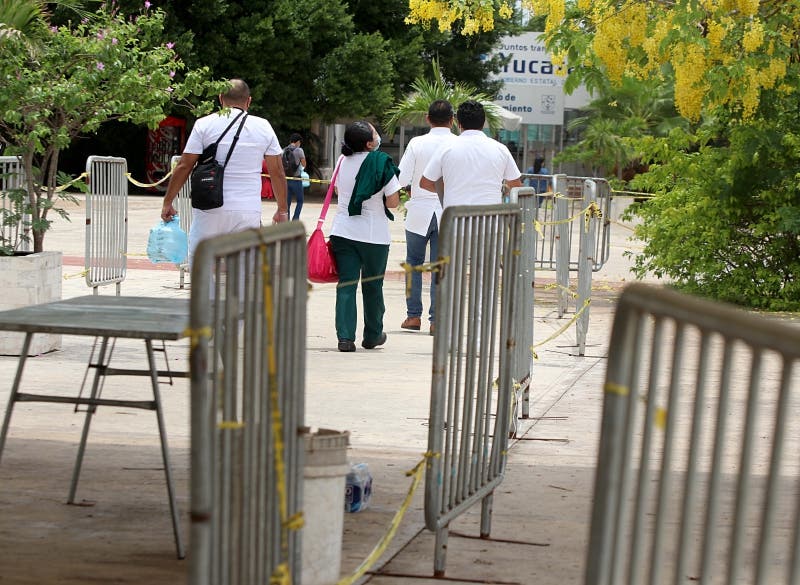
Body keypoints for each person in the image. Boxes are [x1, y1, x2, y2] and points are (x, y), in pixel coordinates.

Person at [160, 79, 288, 265]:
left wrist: (168, 202)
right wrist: (282, 210)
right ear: (249, 101)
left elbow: (184, 165)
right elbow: (277, 172)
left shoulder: (204, 124)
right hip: (247, 210)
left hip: (209, 207)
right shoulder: (263, 126)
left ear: (220, 98)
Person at [329, 121, 401, 352]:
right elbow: (393, 202)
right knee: (373, 286)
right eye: (375, 133)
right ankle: (372, 335)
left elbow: (339, 191)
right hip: (374, 235)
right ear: (369, 143)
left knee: (346, 284)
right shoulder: (381, 162)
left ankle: (345, 337)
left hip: (343, 231)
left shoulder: (341, 161)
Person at [396, 99, 456, 336]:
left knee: (413, 263)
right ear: (452, 120)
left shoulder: (416, 143)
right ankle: (436, 320)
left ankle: (413, 316)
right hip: (447, 211)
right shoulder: (458, 143)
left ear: (427, 119)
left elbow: (401, 178)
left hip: (418, 210)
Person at [420, 100, 522, 208]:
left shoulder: (446, 148)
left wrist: (449, 191)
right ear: (483, 123)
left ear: (459, 124)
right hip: (490, 217)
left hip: (455, 216)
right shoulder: (501, 149)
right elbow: (516, 185)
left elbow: (425, 183)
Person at [283, 132, 307, 220]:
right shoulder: (299, 150)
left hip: (286, 179)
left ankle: (287, 221)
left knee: (287, 202)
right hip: (296, 179)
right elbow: (304, 164)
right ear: (298, 142)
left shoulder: (284, 150)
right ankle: (295, 219)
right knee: (300, 200)